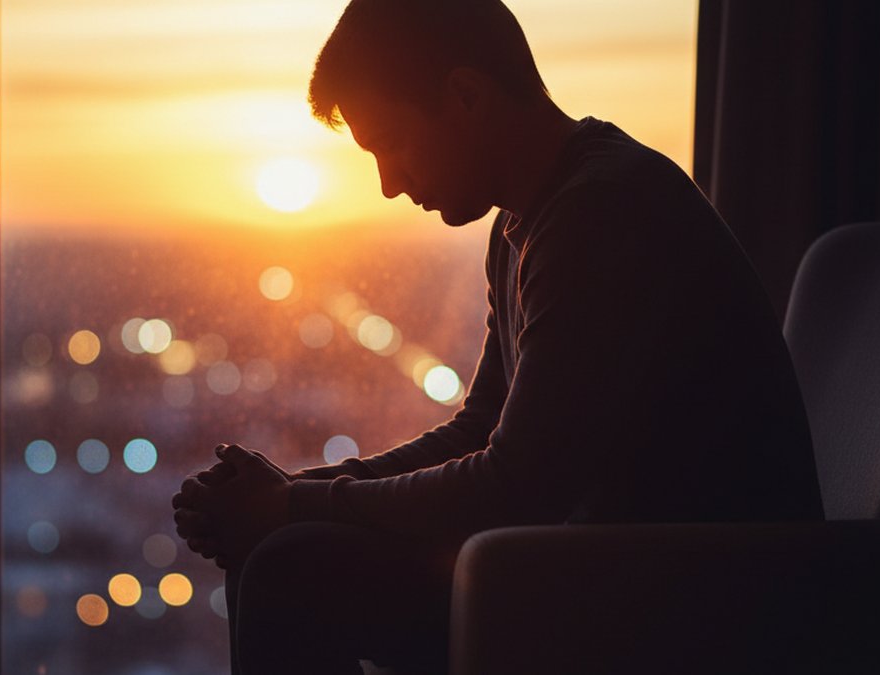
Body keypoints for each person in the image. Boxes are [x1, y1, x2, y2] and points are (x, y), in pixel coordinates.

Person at [172, 0, 824, 672]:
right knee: (281, 546)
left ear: (466, 96)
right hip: (615, 571)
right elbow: (483, 428)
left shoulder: (598, 215)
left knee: (291, 567)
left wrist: (293, 504)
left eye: (391, 143)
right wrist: (296, 490)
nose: (390, 183)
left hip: (699, 602)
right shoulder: (531, 217)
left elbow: (517, 482)